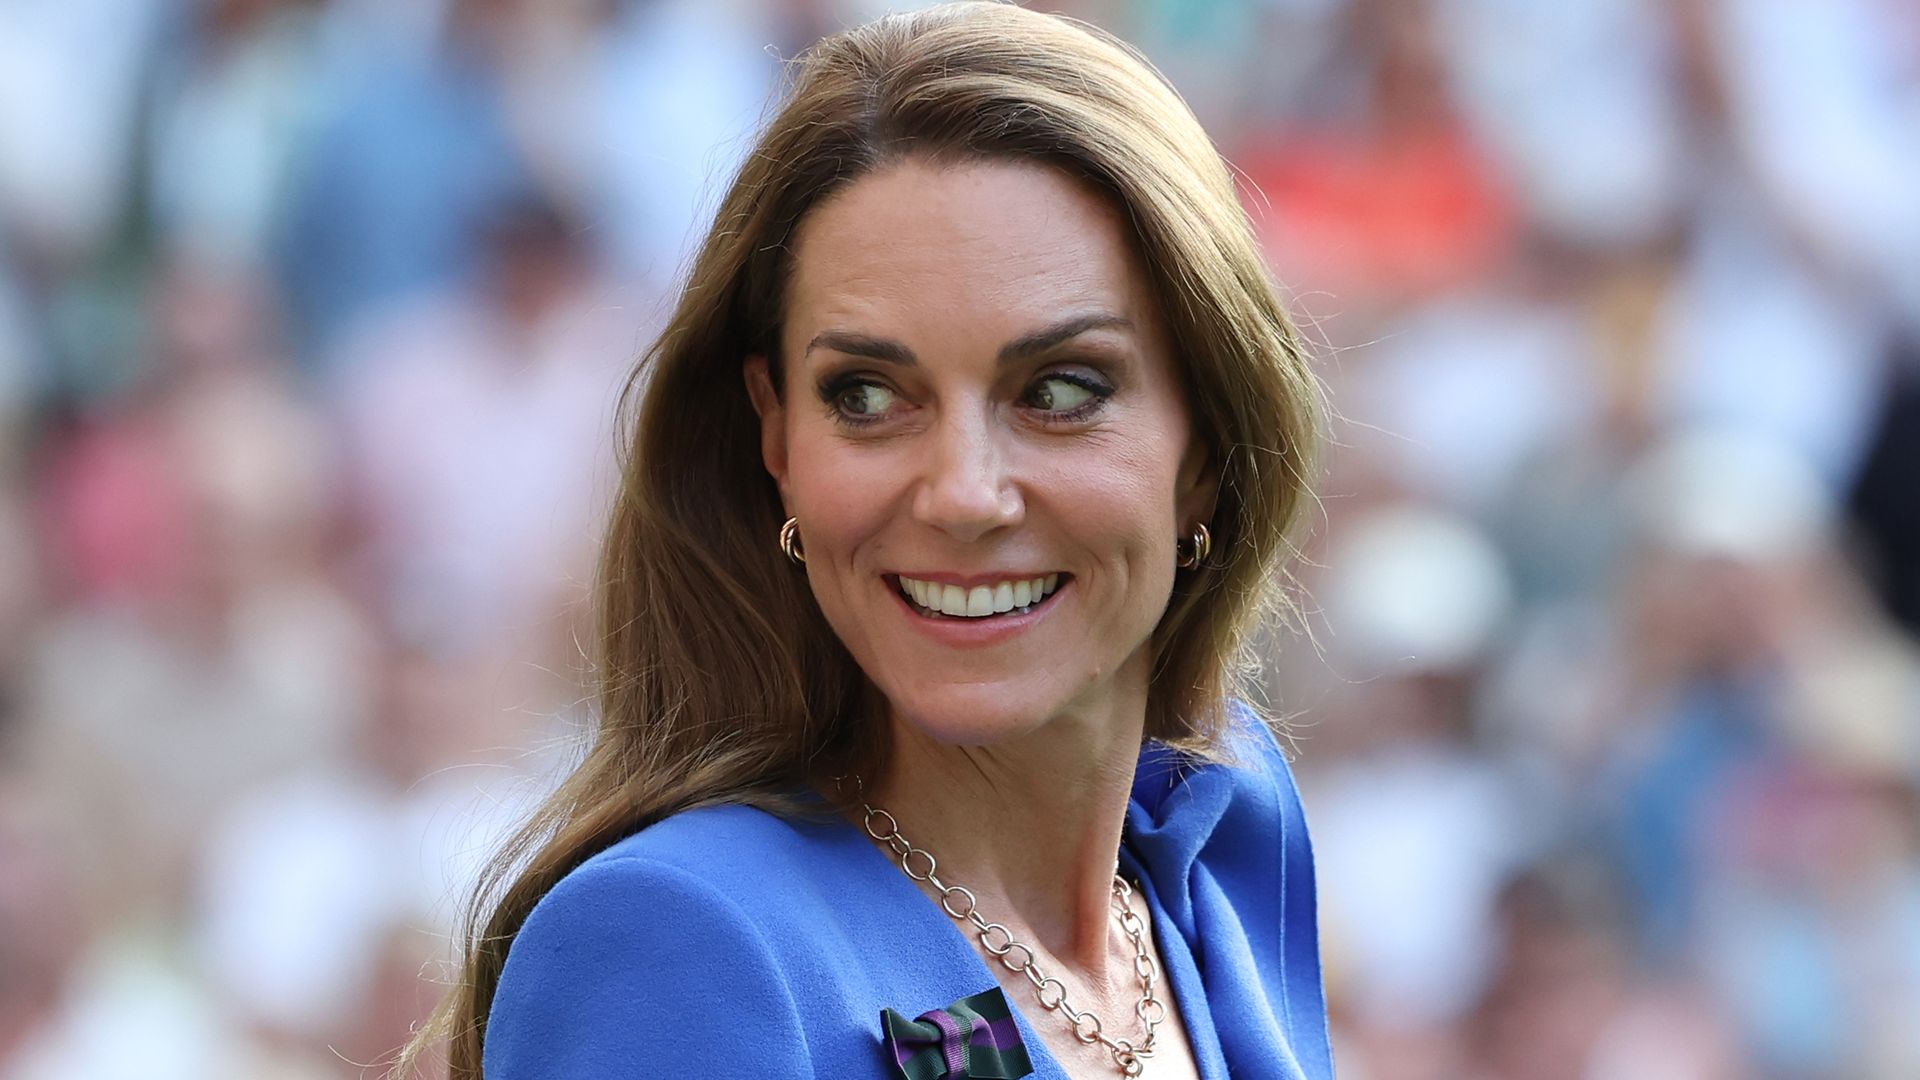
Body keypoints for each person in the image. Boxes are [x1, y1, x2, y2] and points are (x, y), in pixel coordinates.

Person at [398, 2, 1331, 1077]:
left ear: (1207, 444)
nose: (964, 495)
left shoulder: (1226, 837)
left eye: (1060, 389)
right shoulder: (675, 944)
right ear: (777, 438)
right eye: (869, 395)